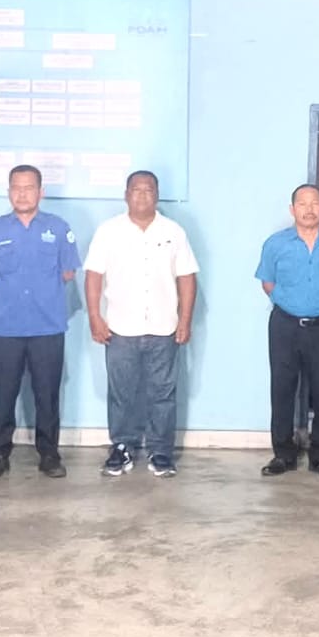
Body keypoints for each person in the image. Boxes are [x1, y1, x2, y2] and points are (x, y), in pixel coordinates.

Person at [83, 171, 198, 478]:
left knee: (163, 393)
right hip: (120, 328)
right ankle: (122, 447)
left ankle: (161, 452)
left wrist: (185, 320)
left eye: (149, 190)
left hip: (164, 327)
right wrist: (95, 316)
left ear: (157, 195)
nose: (142, 195)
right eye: (136, 190)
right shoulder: (109, 231)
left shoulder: (174, 232)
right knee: (122, 393)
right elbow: (93, 275)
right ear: (126, 194)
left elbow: (187, 277)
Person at [0, 165, 79, 480]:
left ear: (41, 192)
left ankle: (49, 456)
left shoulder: (59, 228)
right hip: (5, 326)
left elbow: (68, 271)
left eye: (29, 187)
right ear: (9, 192)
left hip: (47, 325)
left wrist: (40, 291)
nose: (22, 194)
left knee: (47, 395)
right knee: (3, 394)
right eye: (16, 188)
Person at [255, 183, 319, 480]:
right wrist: (292, 304)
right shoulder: (276, 244)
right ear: (292, 210)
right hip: (285, 326)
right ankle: (283, 455)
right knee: (282, 390)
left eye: (314, 203)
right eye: (302, 204)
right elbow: (268, 283)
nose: (309, 209)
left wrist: (318, 305)